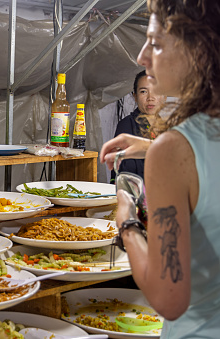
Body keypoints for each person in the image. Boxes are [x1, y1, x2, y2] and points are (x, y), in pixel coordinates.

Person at [100, 0, 220, 337]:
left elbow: (169, 299)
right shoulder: (182, 147)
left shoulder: (175, 150)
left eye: (154, 43)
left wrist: (125, 218)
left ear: (197, 50)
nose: (141, 56)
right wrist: (150, 147)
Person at [109, 70, 166, 183]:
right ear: (135, 96)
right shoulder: (126, 126)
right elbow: (124, 171)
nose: (151, 97)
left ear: (164, 96)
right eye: (144, 91)